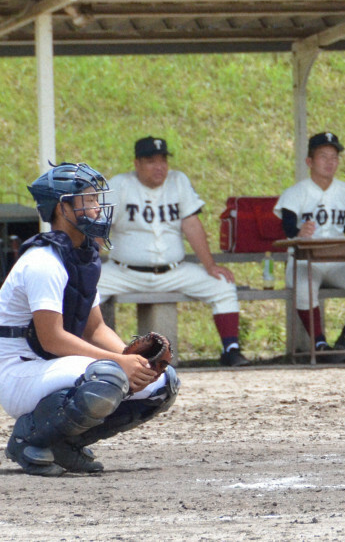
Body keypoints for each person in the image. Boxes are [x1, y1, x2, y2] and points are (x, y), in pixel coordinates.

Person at [0, 162, 179, 476]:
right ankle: (29, 439)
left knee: (162, 383)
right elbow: (51, 339)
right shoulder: (43, 261)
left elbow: (94, 327)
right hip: (16, 371)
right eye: (89, 200)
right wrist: (116, 363)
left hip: (46, 368)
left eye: (97, 200)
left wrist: (132, 359)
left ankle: (63, 444)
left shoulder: (79, 258)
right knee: (108, 376)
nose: (98, 208)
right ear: (62, 207)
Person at [97, 137, 249, 367]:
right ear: (136, 164)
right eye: (151, 161)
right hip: (123, 273)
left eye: (163, 160)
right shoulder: (119, 185)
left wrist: (209, 265)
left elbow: (192, 225)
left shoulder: (178, 181)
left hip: (174, 272)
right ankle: (83, 351)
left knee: (222, 285)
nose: (159, 166)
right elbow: (99, 230)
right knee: (85, 290)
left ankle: (231, 349)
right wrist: (85, 268)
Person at [274, 132, 345, 361]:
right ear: (309, 161)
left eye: (334, 157)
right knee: (304, 287)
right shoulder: (295, 192)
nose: (330, 162)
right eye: (323, 156)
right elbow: (287, 227)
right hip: (303, 259)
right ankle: (319, 344)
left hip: (337, 260)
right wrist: (298, 233)